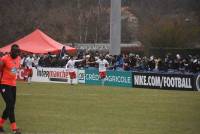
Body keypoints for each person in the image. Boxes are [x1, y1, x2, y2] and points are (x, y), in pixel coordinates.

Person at [0, 44, 21, 134]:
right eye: (15, 52)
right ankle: (14, 128)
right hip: (4, 84)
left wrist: (12, 74)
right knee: (10, 104)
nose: (16, 54)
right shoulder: (4, 59)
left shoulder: (18, 59)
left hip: (13, 85)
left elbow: (14, 70)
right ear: (11, 51)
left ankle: (2, 125)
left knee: (11, 106)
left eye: (18, 52)